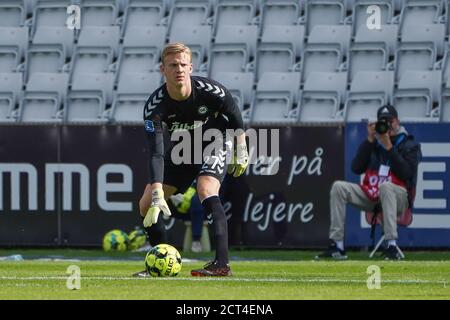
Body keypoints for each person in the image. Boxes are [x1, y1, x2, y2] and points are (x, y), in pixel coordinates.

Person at [134, 42, 248, 277]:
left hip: (217, 139)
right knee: (146, 204)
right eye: (173, 65)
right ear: (162, 69)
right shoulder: (155, 107)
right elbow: (156, 152)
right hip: (184, 148)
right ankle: (160, 263)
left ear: (191, 67)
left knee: (206, 189)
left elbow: (235, 117)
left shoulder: (211, 91)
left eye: (183, 64)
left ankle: (221, 265)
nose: (179, 69)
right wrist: (157, 194)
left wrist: (241, 150)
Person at [315, 105, 421, 260]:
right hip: (373, 194)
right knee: (339, 187)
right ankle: (337, 246)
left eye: (390, 121)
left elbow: (406, 173)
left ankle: (391, 245)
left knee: (385, 187)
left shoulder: (410, 145)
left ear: (397, 121)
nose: (387, 125)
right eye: (383, 122)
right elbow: (356, 168)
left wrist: (389, 147)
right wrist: (370, 140)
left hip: (399, 197)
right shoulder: (374, 146)